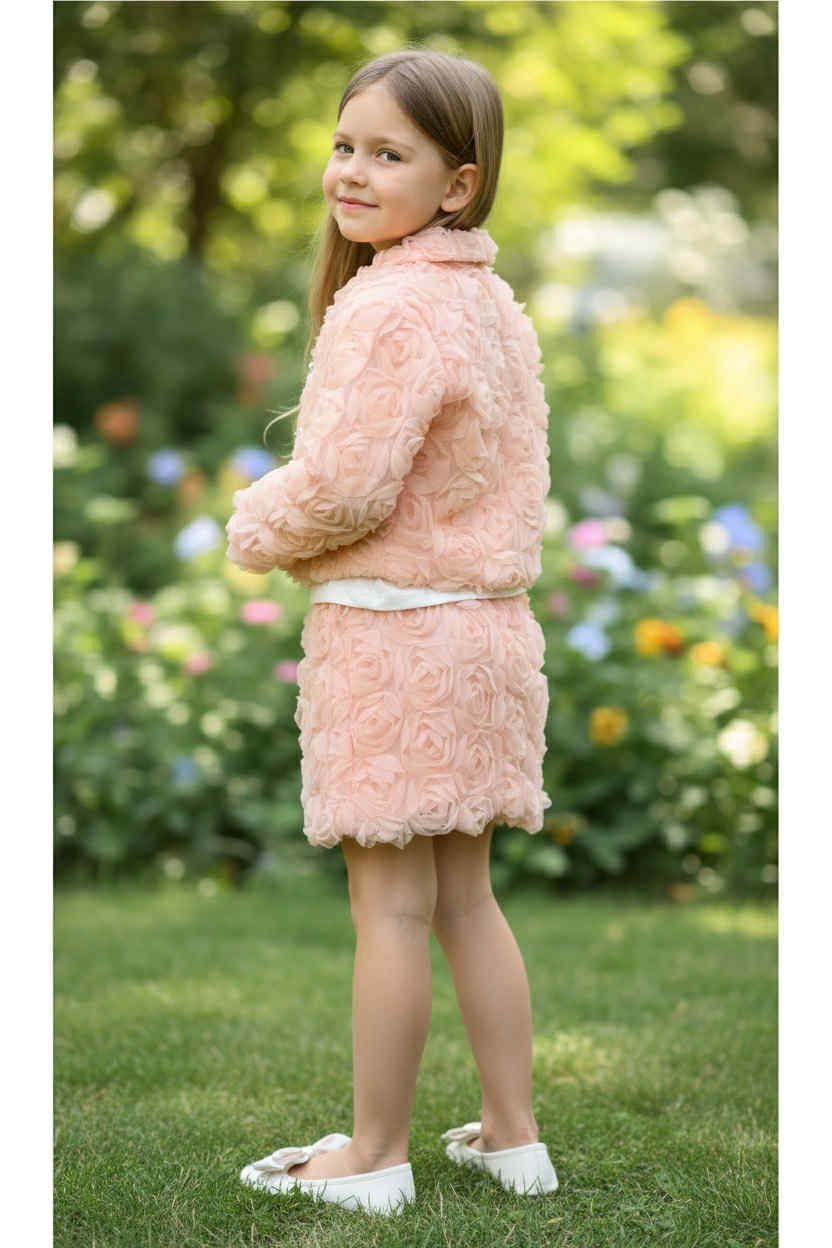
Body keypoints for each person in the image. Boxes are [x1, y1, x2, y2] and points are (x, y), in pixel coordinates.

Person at [227, 48, 559, 1216]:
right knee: (466, 898)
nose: (353, 172)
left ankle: (373, 1154)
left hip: (394, 644)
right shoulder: (488, 302)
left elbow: (345, 487)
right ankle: (513, 1139)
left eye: (387, 153)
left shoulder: (388, 303)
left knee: (393, 911)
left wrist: (253, 527)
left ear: (457, 183)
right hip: (487, 637)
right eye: (343, 145)